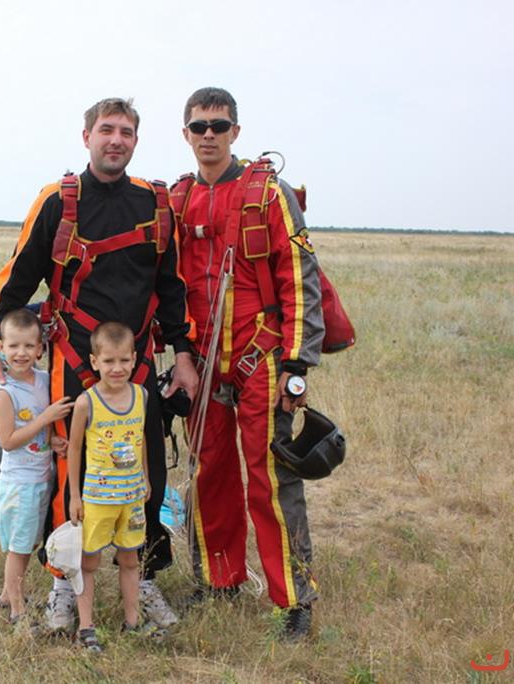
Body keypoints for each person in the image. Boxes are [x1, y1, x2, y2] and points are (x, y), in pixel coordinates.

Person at [0, 97, 198, 633]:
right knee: (68, 467)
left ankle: (143, 576)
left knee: (144, 468)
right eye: (106, 130)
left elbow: (172, 286)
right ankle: (63, 580)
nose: (116, 140)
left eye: (126, 132)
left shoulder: (156, 204)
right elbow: (18, 275)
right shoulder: (57, 201)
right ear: (87, 137)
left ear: (136, 141)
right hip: (74, 360)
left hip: (134, 364)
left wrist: (183, 353)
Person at [173, 87, 325, 642]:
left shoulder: (268, 193)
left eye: (219, 125)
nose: (209, 135)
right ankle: (220, 580)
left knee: (271, 478)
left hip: (261, 357)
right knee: (209, 471)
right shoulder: (178, 200)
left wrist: (296, 363)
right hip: (200, 362)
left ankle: (293, 599)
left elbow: (299, 278)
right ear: (186, 134)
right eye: (199, 126)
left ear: (235, 131)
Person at [66, 322, 151, 652]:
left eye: (124, 360)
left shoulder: (141, 396)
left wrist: (145, 478)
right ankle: (86, 627)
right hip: (98, 499)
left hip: (131, 499)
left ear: (134, 359)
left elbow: (141, 439)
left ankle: (133, 621)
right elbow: (75, 448)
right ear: (94, 361)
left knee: (130, 559)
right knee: (88, 562)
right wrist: (75, 496)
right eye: (109, 361)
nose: (117, 368)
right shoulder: (86, 403)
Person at [0, 308, 73, 625]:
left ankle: (5, 594)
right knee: (19, 548)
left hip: (42, 477)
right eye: (13, 346)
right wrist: (45, 419)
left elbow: (42, 430)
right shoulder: (5, 392)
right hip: (19, 483)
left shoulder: (44, 380)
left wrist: (52, 439)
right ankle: (17, 609)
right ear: (1, 347)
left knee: (29, 542)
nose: (21, 353)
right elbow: (8, 441)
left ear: (40, 348)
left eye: (28, 345)